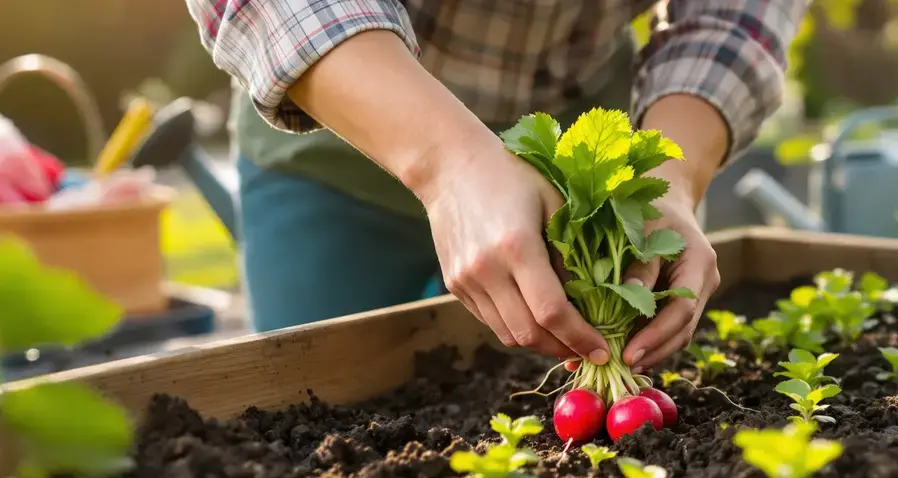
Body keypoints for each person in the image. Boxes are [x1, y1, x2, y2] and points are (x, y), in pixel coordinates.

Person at [185, 0, 805, 373]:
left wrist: (668, 176)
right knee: (314, 392)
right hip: (334, 122)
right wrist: (447, 163)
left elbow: (735, 12)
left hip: (577, 135)